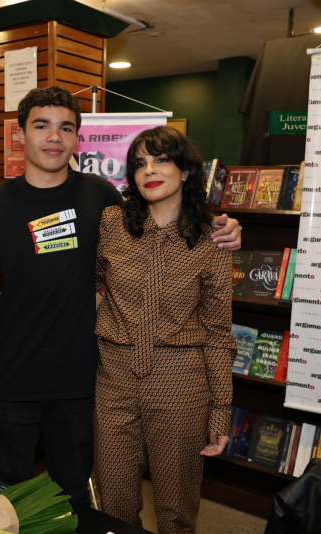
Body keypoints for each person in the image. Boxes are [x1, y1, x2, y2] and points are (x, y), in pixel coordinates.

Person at [0, 86, 242, 504]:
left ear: (78, 139)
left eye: (65, 128)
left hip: (84, 378)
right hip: (12, 376)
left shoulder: (102, 199)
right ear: (21, 134)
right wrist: (12, 309)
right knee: (8, 496)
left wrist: (223, 227)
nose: (53, 136)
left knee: (77, 494)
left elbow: (162, 223)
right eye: (41, 126)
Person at [93, 126, 237, 534]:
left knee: (176, 511)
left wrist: (221, 407)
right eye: (139, 163)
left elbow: (217, 331)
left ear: (187, 170)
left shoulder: (212, 238)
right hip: (115, 380)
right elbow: (91, 285)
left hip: (181, 383)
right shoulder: (112, 222)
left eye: (160, 159)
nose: (149, 170)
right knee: (114, 504)